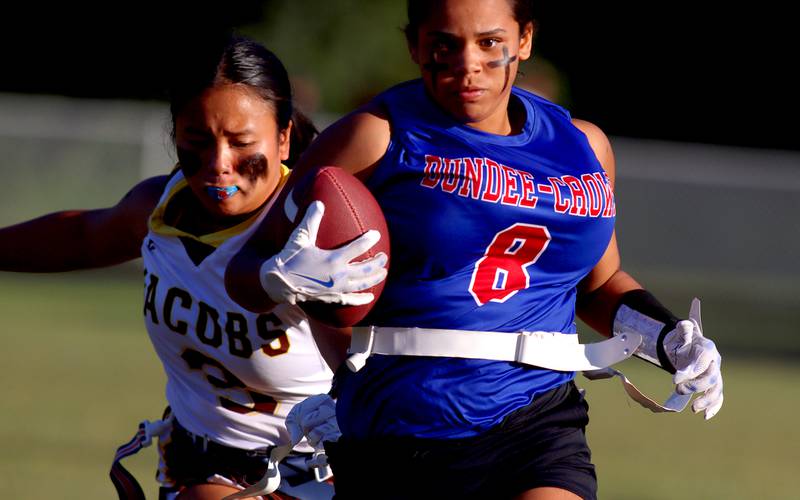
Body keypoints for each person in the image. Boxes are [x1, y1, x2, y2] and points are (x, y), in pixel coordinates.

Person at [227, 1, 724, 499]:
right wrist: (277, 275)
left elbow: (598, 285)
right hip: (400, 427)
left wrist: (670, 338)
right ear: (415, 45)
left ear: (524, 38)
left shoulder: (583, 145)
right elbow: (245, 266)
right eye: (445, 44)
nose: (468, 64)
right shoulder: (377, 136)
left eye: (489, 42)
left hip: (537, 423)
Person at [0, 34, 387, 500]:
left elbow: (367, 366)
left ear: (283, 138)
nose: (218, 164)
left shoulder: (314, 232)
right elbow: (84, 237)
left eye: (241, 141)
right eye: (197, 141)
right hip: (196, 460)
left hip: (312, 468)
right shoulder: (163, 208)